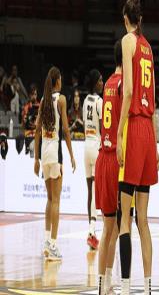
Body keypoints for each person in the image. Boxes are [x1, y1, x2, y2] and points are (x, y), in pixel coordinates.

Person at [116, 0, 159, 295]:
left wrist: (120, 133)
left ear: (125, 19)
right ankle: (147, 287)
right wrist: (155, 144)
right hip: (148, 130)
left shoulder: (127, 41)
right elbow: (152, 98)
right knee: (143, 219)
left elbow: (129, 91)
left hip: (133, 126)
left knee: (125, 219)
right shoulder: (149, 48)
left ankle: (125, 287)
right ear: (140, 19)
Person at [34, 66, 76, 261]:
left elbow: (36, 131)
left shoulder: (43, 100)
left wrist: (35, 159)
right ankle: (53, 244)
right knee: (57, 201)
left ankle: (46, 241)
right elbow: (66, 130)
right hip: (55, 154)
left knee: (49, 199)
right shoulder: (61, 100)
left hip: (44, 154)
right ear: (58, 81)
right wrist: (72, 155)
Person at [96, 42, 122, 295]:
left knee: (107, 228)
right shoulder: (124, 84)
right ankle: (108, 282)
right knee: (114, 228)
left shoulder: (108, 85)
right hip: (114, 157)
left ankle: (103, 283)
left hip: (102, 156)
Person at [83, 69, 104, 249]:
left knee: (90, 191)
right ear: (95, 83)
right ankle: (92, 231)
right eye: (100, 81)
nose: (102, 83)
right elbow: (104, 128)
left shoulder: (85, 101)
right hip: (97, 146)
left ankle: (91, 231)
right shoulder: (99, 101)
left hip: (86, 147)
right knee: (98, 191)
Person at [22, 84, 40, 154]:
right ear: (30, 95)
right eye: (33, 94)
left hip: (38, 134)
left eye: (35, 94)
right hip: (28, 134)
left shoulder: (40, 106)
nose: (34, 96)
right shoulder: (26, 107)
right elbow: (25, 123)